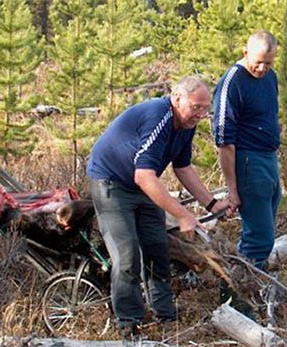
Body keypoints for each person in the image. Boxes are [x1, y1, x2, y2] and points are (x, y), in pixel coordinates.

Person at [87, 76, 229, 344]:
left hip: (141, 186)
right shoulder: (159, 117)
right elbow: (144, 176)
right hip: (112, 184)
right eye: (196, 107)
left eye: (205, 108)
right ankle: (130, 326)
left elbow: (183, 167)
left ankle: (165, 316)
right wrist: (183, 214)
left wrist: (211, 203)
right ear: (177, 99)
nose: (201, 114)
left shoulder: (186, 124)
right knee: (128, 257)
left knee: (157, 249)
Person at [212, 30, 281, 316]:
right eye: (257, 62)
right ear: (244, 53)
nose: (262, 68)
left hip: (268, 160)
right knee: (259, 237)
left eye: (269, 62)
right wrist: (233, 189)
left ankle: (252, 288)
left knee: (263, 232)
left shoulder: (270, 79)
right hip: (247, 162)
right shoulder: (232, 83)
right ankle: (235, 301)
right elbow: (224, 141)